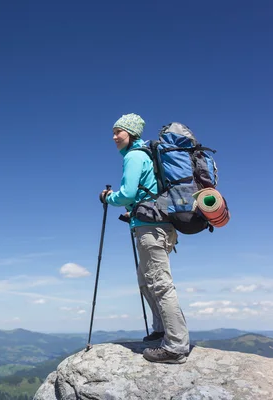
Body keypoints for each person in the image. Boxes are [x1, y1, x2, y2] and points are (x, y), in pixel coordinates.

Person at [99, 113, 190, 364]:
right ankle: (161, 329)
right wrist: (135, 212)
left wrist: (108, 197)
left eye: (119, 132)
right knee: (146, 280)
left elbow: (127, 193)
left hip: (151, 230)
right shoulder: (147, 157)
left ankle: (175, 346)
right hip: (159, 226)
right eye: (114, 132)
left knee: (159, 283)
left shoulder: (135, 156)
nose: (115, 137)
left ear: (132, 133)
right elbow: (146, 194)